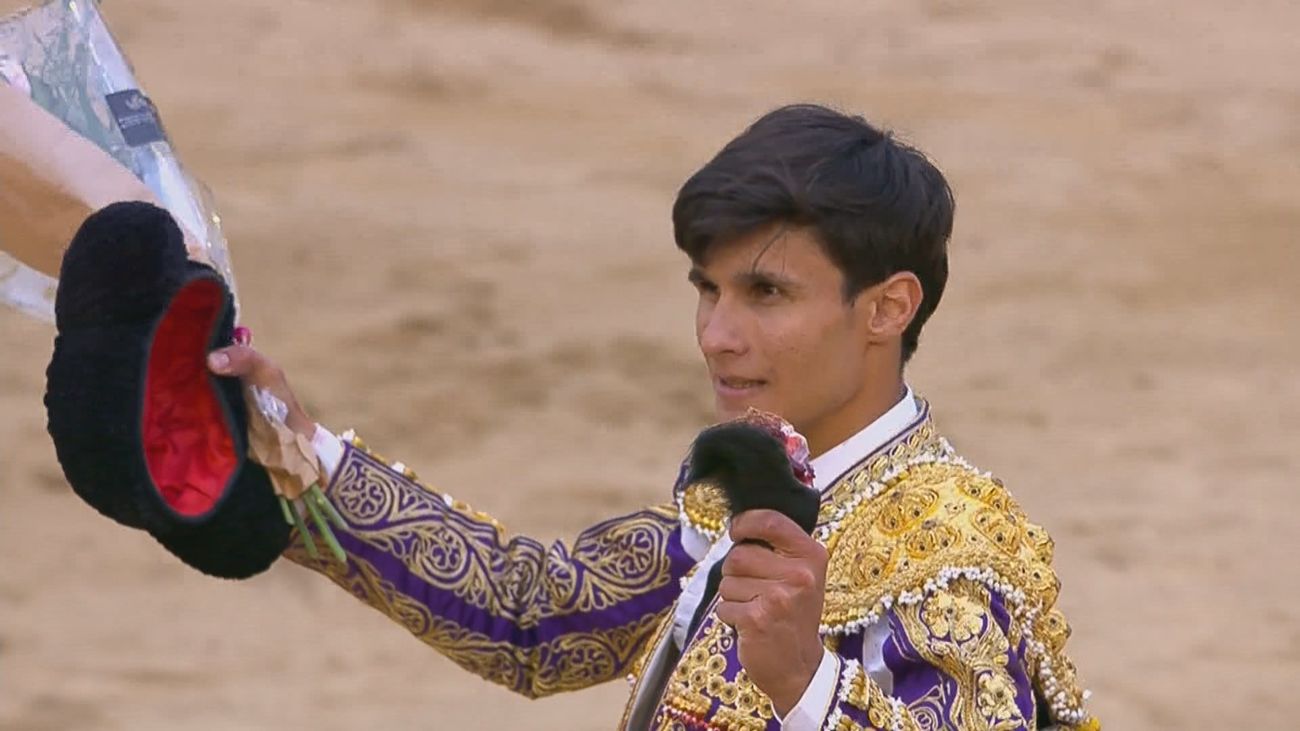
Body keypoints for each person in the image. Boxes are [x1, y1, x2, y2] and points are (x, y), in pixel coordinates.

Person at [207, 104, 1098, 730]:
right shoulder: (743, 495)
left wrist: (808, 687)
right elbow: (534, 618)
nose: (717, 336)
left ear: (887, 307)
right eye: (707, 291)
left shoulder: (952, 550)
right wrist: (303, 452)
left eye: (767, 293)